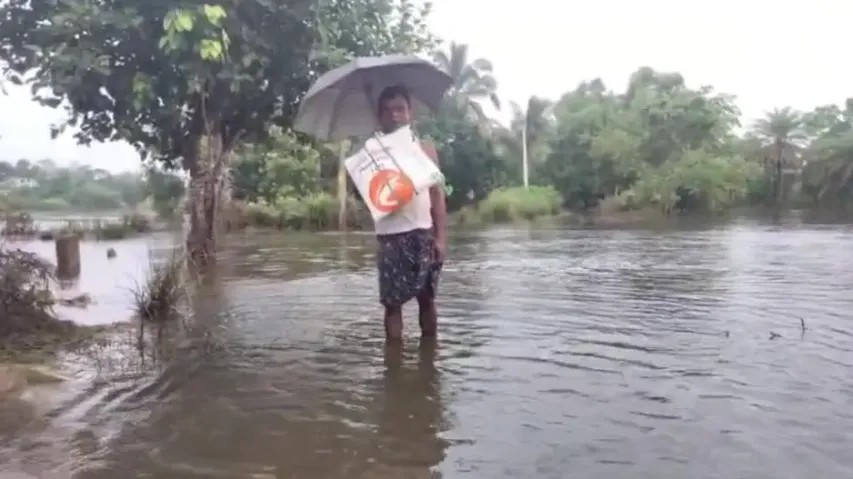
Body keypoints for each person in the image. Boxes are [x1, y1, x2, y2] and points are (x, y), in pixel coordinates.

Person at [373, 85, 448, 342]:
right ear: (379, 115)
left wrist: (441, 238)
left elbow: (437, 194)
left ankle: (430, 361)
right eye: (387, 110)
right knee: (392, 305)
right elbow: (365, 196)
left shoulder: (425, 149)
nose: (394, 115)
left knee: (427, 299)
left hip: (423, 233)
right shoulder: (371, 153)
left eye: (399, 109)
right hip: (390, 236)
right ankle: (393, 364)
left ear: (409, 112)